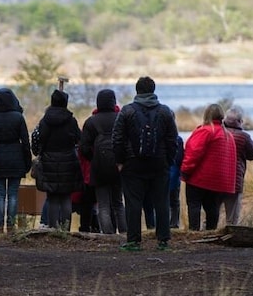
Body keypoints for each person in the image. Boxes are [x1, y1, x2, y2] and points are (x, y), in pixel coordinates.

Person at [111, 76, 177, 251]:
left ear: (137, 90)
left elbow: (117, 139)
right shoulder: (165, 112)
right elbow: (172, 140)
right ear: (153, 90)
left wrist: (119, 161)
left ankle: (133, 241)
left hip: (132, 164)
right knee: (161, 202)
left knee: (133, 203)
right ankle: (163, 241)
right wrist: (169, 160)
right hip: (159, 163)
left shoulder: (126, 111)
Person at [181, 103, 237, 232]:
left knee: (194, 205)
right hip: (219, 182)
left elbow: (193, 153)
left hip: (200, 179)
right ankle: (211, 232)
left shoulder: (205, 131)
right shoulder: (228, 135)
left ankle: (194, 232)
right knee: (213, 208)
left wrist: (185, 171)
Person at [0, 88, 31, 234]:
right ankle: (11, 226)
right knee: (13, 194)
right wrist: (27, 162)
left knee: (0, 194)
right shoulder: (18, 117)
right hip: (16, 159)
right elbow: (26, 142)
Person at [31, 89, 82, 230]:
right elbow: (79, 139)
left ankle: (53, 229)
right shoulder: (71, 121)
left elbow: (38, 141)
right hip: (68, 162)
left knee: (52, 197)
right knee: (66, 197)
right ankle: (66, 229)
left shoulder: (44, 121)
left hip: (49, 161)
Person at [79, 89, 126, 234]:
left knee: (103, 204)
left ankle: (108, 235)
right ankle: (125, 233)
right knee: (118, 203)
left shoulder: (91, 122)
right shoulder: (121, 118)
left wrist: (93, 159)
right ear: (113, 101)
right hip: (119, 166)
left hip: (98, 167)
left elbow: (84, 148)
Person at [220, 107, 253, 225]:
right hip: (235, 180)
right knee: (232, 218)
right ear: (240, 121)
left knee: (212, 214)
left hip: (217, 179)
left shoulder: (218, 132)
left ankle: (207, 235)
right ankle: (230, 238)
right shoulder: (244, 137)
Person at [169, 134, 184, 228]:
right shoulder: (178, 139)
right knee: (174, 202)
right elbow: (180, 159)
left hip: (160, 176)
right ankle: (174, 224)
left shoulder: (157, 135)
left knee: (160, 202)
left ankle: (161, 224)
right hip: (174, 175)